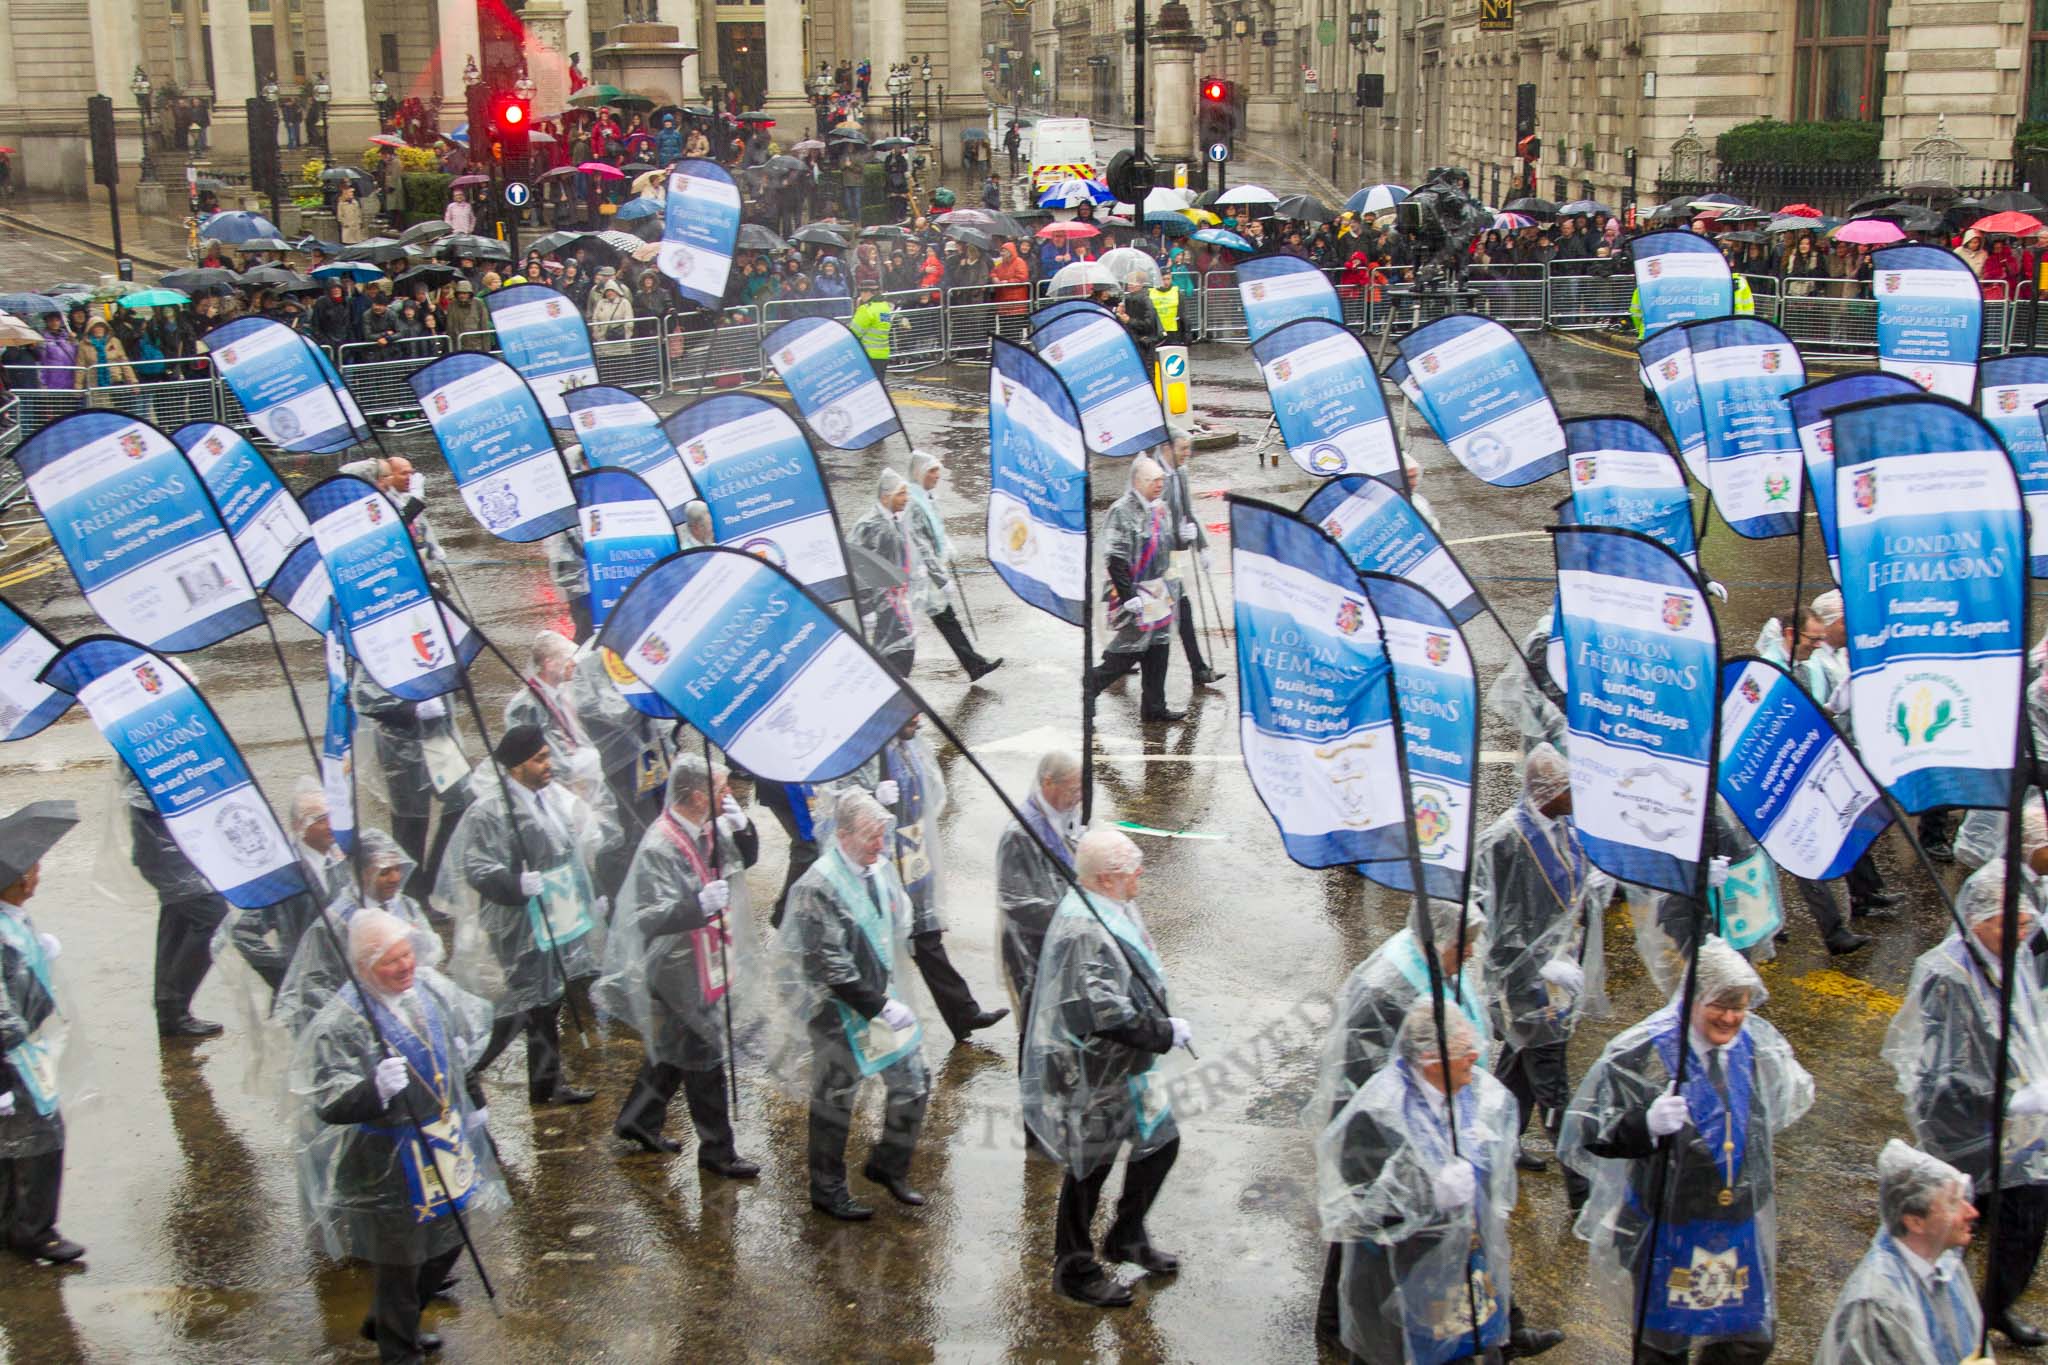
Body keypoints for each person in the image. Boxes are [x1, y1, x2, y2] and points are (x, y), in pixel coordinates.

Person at [1558, 936, 1814, 1365]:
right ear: (1693, 997)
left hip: (1734, 1227)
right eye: (1720, 1005)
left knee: (1749, 1338)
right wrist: (1645, 1123)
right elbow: (1588, 1130)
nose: (1731, 1018)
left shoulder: (1752, 1045)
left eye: (1740, 1006)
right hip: (1667, 1228)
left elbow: (1784, 1101)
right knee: (1663, 1349)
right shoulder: (1643, 1049)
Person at [291, 909, 501, 1362]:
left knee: (450, 1239)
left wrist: (472, 1098)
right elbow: (328, 1100)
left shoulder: (427, 989)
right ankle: (398, 1347)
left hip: (442, 1142)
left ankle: (390, 1320)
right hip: (385, 1161)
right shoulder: (343, 1021)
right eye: (391, 961)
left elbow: (462, 1043)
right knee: (403, 1263)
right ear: (364, 968)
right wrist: (373, 1090)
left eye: (407, 954)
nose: (405, 966)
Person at [1316, 1004, 1552, 1363]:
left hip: (1462, 1277)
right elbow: (1360, 1211)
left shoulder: (1473, 1096)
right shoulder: (1378, 1114)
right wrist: (1429, 1193)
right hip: (1400, 1288)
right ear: (1430, 1058)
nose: (1475, 1055)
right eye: (1462, 1051)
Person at [1883, 859, 2048, 1347]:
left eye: (2026, 922)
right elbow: (1938, 1076)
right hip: (1962, 1132)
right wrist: (2012, 1099)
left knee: (2028, 1218)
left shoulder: (2012, 959)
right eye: (2008, 922)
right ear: (1976, 919)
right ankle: (1934, 1323)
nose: (2020, 933)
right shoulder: (1947, 974)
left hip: (2019, 1128)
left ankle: (1994, 1308)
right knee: (1949, 1231)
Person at [1021, 827, 1188, 1308]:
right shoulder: (1083, 927)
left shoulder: (1110, 904)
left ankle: (1127, 1234)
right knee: (1089, 1169)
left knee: (1161, 1143)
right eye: (1132, 869)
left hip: (1128, 1067)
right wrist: (1163, 1033)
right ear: (1108, 877)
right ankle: (1073, 1268)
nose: (1140, 874)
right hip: (1092, 1070)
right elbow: (1097, 1010)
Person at [437, 724, 618, 1110]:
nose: (548, 764)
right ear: (517, 766)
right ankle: (470, 1064)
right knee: (527, 1006)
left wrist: (593, 892)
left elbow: (569, 851)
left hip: (555, 913)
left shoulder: (547, 798)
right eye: (539, 759)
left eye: (547, 756)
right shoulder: (491, 810)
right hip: (517, 922)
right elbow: (478, 867)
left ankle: (546, 1086)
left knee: (546, 1003)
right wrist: (516, 883)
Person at [597, 756, 763, 1175]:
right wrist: (695, 906)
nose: (728, 795)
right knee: (705, 1057)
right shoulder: (660, 845)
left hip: (705, 955)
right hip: (674, 968)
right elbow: (649, 916)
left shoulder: (706, 828)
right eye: (721, 789)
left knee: (673, 1050)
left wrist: (742, 826)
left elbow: (745, 859)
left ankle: (638, 1119)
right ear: (695, 795)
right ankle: (717, 1152)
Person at [777, 791, 930, 1221]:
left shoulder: (876, 869)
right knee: (835, 1100)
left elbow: (892, 925)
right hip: (835, 1010)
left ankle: (888, 1164)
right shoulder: (817, 886)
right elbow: (830, 966)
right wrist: (879, 1005)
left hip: (880, 1000)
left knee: (914, 1082)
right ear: (842, 835)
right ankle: (826, 1189)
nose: (879, 846)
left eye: (881, 835)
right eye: (870, 838)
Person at [1474, 744, 1612, 1203]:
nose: (1577, 794)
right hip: (1526, 988)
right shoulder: (1505, 839)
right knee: (1554, 1088)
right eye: (1569, 787)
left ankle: (1498, 1142)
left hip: (1559, 978)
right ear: (1547, 791)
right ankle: (1581, 1192)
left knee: (1516, 1069)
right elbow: (1492, 920)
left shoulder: (1566, 828)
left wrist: (1596, 889)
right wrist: (1537, 966)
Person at [831, 715, 1009, 1045]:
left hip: (912, 854)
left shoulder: (910, 744)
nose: (918, 722)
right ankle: (865, 1027)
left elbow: (933, 793)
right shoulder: (862, 749)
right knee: (877, 949)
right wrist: (872, 796)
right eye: (909, 714)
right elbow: (836, 805)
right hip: (877, 860)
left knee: (926, 937)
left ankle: (963, 1013)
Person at [0, 801, 85, 1264]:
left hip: (21, 1052)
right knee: (39, 1141)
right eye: (33, 867)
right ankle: (36, 1232)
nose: (38, 873)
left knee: (12, 1143)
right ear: (17, 880)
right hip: (14, 1061)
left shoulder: (14, 921)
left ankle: (11, 1223)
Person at [1816, 1139, 1981, 1365]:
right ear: (1916, 1222)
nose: (1971, 1211)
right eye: (1953, 1203)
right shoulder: (1877, 1305)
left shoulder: (1945, 1268)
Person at [1086, 456, 1184, 723]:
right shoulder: (1122, 510)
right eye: (1154, 480)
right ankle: (1092, 684)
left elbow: (1166, 546)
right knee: (1129, 651)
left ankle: (1154, 706)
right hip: (1135, 592)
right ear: (1138, 482)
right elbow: (1116, 557)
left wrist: (1183, 539)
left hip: (1159, 592)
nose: (1159, 485)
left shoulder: (1159, 508)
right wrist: (1128, 596)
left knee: (1158, 650)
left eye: (1161, 480)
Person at [995, 751, 1083, 1025]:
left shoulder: (1068, 819)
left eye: (1082, 788)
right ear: (1048, 783)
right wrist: (1067, 912)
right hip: (1030, 947)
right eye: (1072, 788)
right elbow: (1016, 902)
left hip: (1061, 938)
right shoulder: (1021, 833)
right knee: (1036, 1023)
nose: (1078, 795)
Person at [902, 450, 1002, 681]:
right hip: (923, 573)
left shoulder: (925, 497)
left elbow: (931, 531)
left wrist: (945, 545)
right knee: (940, 618)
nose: (938, 475)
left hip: (928, 570)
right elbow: (920, 544)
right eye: (932, 470)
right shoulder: (914, 502)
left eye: (938, 469)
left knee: (946, 618)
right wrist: (940, 578)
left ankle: (974, 664)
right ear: (919, 473)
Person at [1156, 427, 1223, 688]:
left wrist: (1202, 545)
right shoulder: (1150, 473)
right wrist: (1176, 536)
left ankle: (1199, 669)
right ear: (1167, 448)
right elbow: (1147, 524)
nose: (1188, 453)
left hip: (1168, 558)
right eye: (1183, 448)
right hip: (1149, 559)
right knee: (1151, 615)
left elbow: (1187, 511)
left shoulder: (1181, 473)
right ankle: (1114, 664)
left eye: (1188, 448)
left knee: (1182, 609)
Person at [847, 469, 921, 678]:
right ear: (885, 496)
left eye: (906, 493)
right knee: (894, 657)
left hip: (897, 601)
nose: (906, 499)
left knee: (903, 651)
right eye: (901, 494)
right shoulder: (871, 525)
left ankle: (903, 700)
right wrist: (866, 606)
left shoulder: (894, 521)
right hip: (882, 604)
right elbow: (855, 565)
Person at [849, 282, 907, 366]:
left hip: (867, 354)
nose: (861, 296)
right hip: (883, 353)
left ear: (867, 292)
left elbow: (854, 332)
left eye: (861, 292)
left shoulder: (865, 310)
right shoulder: (884, 307)